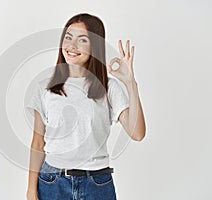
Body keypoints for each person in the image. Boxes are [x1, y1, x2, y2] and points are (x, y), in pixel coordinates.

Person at [25, 13, 146, 200]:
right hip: (52, 183)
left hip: (97, 184)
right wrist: (31, 190)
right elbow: (38, 143)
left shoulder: (109, 87)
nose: (72, 46)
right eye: (68, 37)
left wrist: (131, 83)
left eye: (82, 40)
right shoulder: (44, 88)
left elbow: (137, 134)